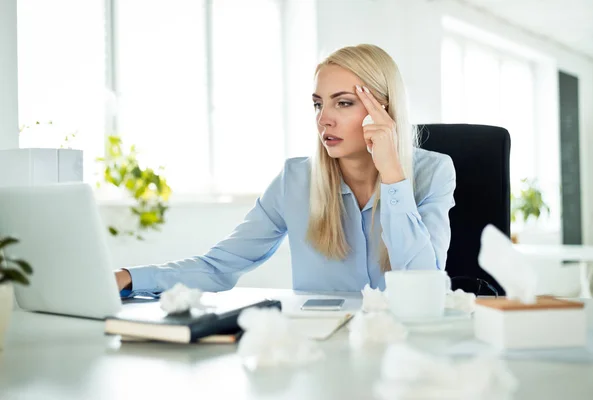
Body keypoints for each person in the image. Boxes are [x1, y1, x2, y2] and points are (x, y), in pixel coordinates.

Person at [115, 44, 456, 296]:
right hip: (321, 355)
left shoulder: (434, 172)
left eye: (344, 102)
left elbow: (423, 286)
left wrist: (393, 176)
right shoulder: (295, 181)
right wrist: (129, 277)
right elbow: (220, 266)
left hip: (406, 358)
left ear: (382, 109)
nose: (324, 118)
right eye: (318, 104)